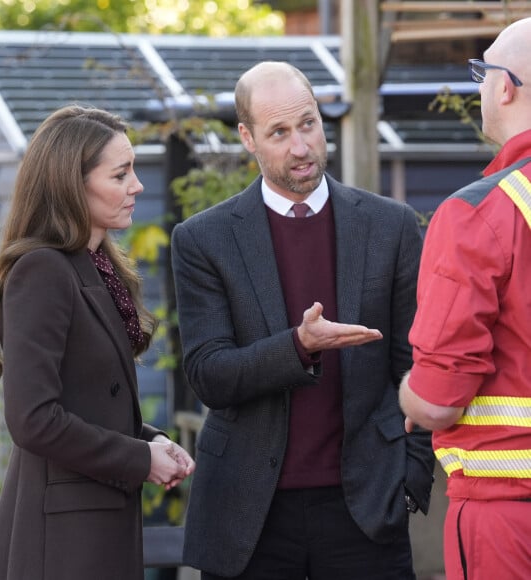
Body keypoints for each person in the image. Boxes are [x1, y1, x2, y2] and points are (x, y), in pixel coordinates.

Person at [171, 61, 434, 580]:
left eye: (308, 124)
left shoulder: (392, 226)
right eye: (279, 132)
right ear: (247, 137)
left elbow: (419, 363)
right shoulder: (204, 239)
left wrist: (411, 477)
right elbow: (209, 375)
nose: (300, 147)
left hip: (367, 506)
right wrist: (298, 346)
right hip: (250, 515)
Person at [0, 105, 195, 580]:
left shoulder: (94, 265)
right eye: (121, 174)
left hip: (96, 522)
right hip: (65, 542)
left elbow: (90, 401)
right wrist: (139, 459)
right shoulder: (43, 270)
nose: (136, 185)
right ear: (72, 184)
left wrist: (152, 442)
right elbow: (32, 420)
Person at [399, 17, 531, 580]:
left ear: (506, 86)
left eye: (482, 71)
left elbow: (437, 404)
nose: (480, 85)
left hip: (508, 512)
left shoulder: (479, 214)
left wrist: (407, 392)